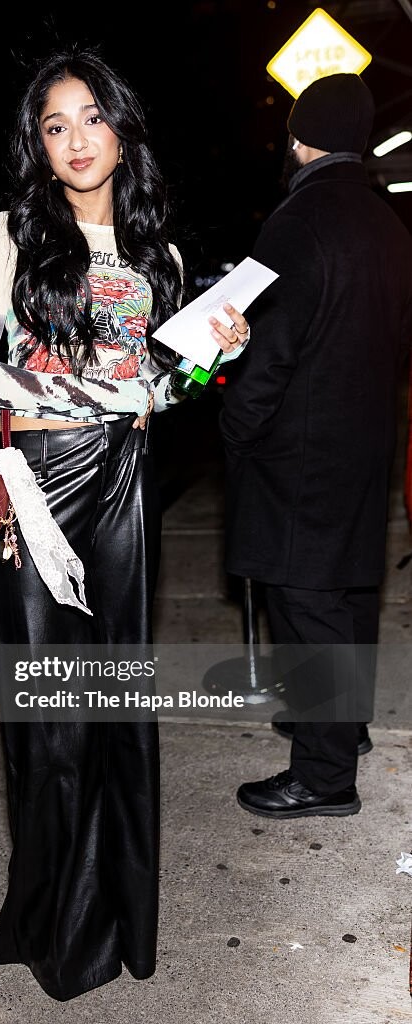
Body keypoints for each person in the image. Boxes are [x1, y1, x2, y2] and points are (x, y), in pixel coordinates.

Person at [0, 46, 249, 1001]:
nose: (75, 140)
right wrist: (101, 396)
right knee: (50, 719)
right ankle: (56, 927)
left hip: (124, 486)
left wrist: (211, 356)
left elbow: (164, 388)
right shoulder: (11, 232)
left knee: (115, 709)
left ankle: (115, 915)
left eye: (91, 118)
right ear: (37, 145)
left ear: (122, 130)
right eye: (54, 125)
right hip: (36, 486)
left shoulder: (161, 254)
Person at [219, 72, 412, 820]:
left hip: (300, 449)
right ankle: (340, 723)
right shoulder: (389, 225)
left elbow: (269, 348)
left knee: (305, 601)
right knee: (348, 590)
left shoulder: (296, 221)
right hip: (364, 440)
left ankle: (325, 777)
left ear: (299, 139)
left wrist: (237, 429)